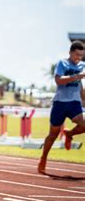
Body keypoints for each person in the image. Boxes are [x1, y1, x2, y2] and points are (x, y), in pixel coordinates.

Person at [38, 40, 85, 174]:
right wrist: (76, 76)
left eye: (81, 56)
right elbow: (58, 81)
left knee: (84, 125)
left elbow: (81, 86)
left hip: (74, 103)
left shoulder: (83, 65)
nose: (78, 58)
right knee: (53, 135)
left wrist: (83, 96)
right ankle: (43, 158)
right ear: (70, 53)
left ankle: (69, 134)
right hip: (60, 103)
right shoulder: (62, 63)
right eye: (76, 55)